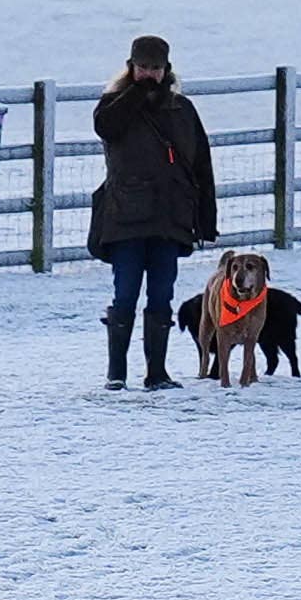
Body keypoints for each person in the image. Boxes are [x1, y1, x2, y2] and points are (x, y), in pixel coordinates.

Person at [83, 32, 218, 391]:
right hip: (125, 216)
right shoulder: (113, 105)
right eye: (142, 67)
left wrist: (205, 218)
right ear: (131, 67)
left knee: (162, 295)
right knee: (124, 293)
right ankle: (116, 373)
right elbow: (106, 127)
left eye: (155, 68)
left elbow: (201, 164)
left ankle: (156, 373)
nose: (148, 74)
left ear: (166, 70)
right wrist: (136, 95)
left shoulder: (182, 109)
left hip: (170, 218)